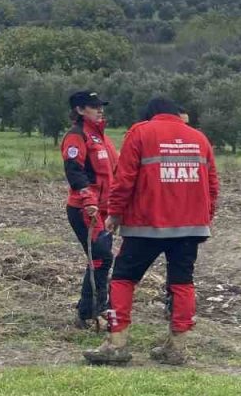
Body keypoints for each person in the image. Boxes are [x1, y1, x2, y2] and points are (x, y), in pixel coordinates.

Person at [84, 98, 220, 366]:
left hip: (146, 225)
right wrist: (204, 218)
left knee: (123, 279)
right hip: (189, 228)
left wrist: (114, 212)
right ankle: (177, 347)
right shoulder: (199, 138)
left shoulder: (140, 132)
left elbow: (125, 179)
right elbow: (212, 185)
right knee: (182, 283)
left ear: (150, 115)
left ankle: (117, 343)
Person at [61, 91, 118, 328]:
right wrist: (88, 200)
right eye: (94, 106)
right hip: (85, 209)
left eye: (100, 105)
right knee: (100, 257)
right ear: (80, 110)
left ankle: (94, 309)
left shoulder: (102, 137)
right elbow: (74, 171)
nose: (100, 109)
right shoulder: (76, 136)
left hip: (104, 209)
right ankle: (90, 311)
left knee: (101, 258)